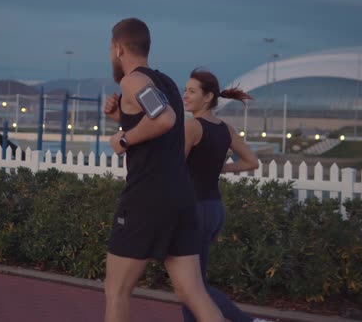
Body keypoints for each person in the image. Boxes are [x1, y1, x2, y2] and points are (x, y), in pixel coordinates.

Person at [103, 18, 225, 322]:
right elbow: (159, 125)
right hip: (181, 197)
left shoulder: (132, 81)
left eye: (110, 48)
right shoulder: (167, 82)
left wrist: (123, 138)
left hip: (146, 197)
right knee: (193, 293)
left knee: (116, 290)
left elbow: (165, 119)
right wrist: (123, 118)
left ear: (118, 48)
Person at [182, 69, 268, 322]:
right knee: (192, 283)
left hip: (193, 211)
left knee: (191, 285)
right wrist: (223, 167)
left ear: (207, 97)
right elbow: (252, 162)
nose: (185, 95)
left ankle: (249, 321)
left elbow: (173, 169)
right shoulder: (226, 129)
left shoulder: (192, 126)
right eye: (185, 90)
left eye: (191, 91)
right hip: (214, 210)